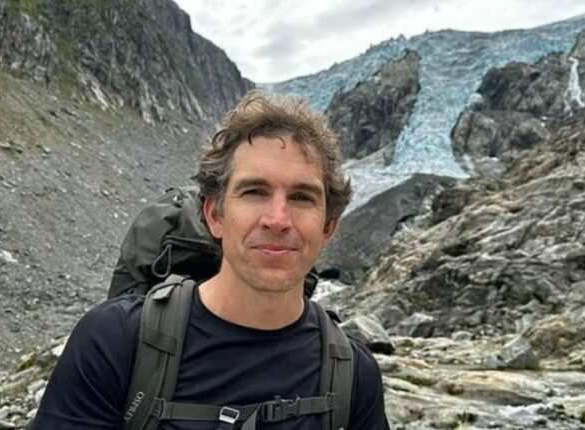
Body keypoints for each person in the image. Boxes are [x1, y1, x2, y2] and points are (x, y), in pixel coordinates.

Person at [29, 91, 390, 429]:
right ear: (215, 215)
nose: (277, 219)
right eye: (254, 192)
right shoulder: (114, 342)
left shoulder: (355, 378)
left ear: (328, 227)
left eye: (301, 197)